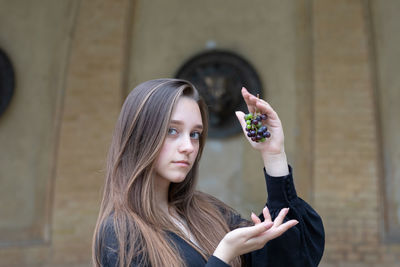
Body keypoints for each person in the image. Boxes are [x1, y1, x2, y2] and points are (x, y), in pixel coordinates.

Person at [92, 78, 324, 267]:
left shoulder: (209, 212)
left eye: (195, 134)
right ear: (140, 135)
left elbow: (290, 259)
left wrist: (273, 155)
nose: (188, 147)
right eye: (172, 131)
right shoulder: (120, 233)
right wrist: (223, 254)